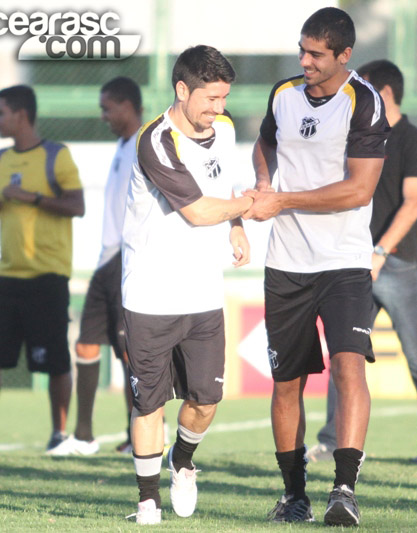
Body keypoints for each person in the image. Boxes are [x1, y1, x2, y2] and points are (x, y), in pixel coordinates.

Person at [247, 7, 390, 526]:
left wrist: (282, 201)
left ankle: (345, 491)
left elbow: (360, 188)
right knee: (286, 382)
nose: (304, 60)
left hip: (344, 261)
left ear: (344, 56)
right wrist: (265, 181)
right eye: (302, 50)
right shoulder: (283, 94)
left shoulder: (365, 102)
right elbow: (265, 142)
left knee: (349, 367)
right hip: (285, 262)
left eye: (316, 54)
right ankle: (294, 496)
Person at [122, 45, 253, 525]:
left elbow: (227, 188)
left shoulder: (226, 129)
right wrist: (252, 207)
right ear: (182, 90)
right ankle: (147, 503)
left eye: (223, 99)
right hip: (150, 297)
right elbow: (198, 212)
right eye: (210, 99)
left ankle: (183, 461)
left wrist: (238, 224)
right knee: (149, 403)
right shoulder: (155, 142)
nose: (218, 109)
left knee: (206, 400)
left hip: (203, 295)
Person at [306, 59, 417, 465]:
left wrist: (380, 252)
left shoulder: (413, 140)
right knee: (344, 353)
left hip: (400, 264)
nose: (353, 96)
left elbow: (412, 205)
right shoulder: (355, 135)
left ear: (384, 93)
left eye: (362, 87)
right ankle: (334, 441)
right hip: (352, 264)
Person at [0, 85, 85, 452]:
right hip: (6, 275)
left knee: (55, 360)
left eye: (0, 112)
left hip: (47, 276)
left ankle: (59, 434)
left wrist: (33, 197)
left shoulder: (57, 155)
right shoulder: (1, 158)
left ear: (20, 115)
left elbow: (77, 205)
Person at [47, 76, 142, 456]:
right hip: (106, 262)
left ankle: (142, 433)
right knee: (86, 345)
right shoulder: (122, 147)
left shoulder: (143, 143)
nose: (103, 115)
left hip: (128, 258)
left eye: (107, 108)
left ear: (126, 105)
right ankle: (84, 436)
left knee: (129, 351)